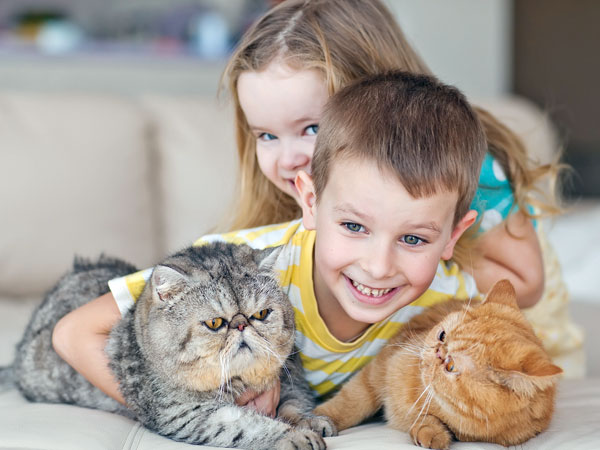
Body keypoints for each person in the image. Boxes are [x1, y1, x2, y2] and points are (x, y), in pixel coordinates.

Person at [52, 0, 581, 417]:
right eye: (266, 135)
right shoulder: (286, 236)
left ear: (370, 98)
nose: (288, 158)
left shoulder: (458, 166)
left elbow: (524, 284)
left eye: (311, 128)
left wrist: (422, 253)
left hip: (513, 315)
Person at [75, 71, 486, 408]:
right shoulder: (243, 272)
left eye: (413, 239)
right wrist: (190, 413)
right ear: (310, 201)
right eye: (354, 227)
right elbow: (74, 333)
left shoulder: (453, 305)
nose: (378, 267)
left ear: (453, 236)